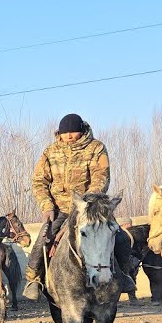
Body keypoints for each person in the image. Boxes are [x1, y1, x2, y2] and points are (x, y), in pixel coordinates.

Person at [23, 113, 135, 300]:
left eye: (73, 132)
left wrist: (87, 203)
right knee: (42, 241)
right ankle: (34, 280)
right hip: (60, 208)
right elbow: (39, 181)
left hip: (91, 208)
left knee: (121, 238)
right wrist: (47, 206)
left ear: (81, 130)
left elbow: (101, 177)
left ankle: (125, 276)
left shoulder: (96, 148)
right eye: (65, 133)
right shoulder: (50, 152)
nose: (68, 136)